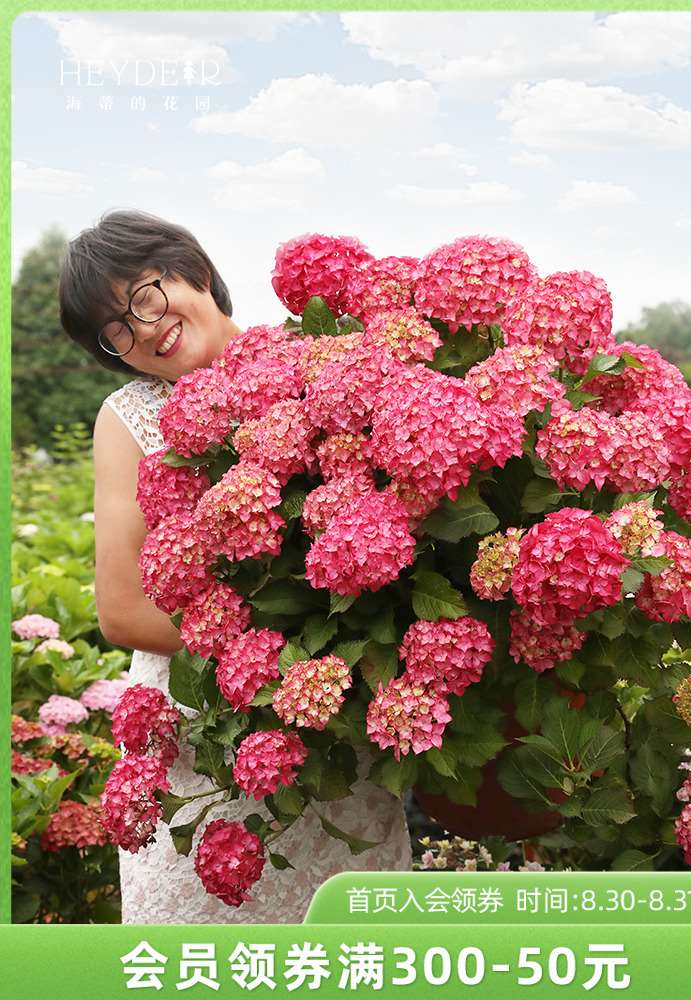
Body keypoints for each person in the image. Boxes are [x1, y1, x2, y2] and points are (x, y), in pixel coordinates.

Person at [59, 209, 411, 924]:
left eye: (146, 295)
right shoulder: (129, 417)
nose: (144, 328)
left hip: (335, 731)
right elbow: (124, 608)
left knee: (350, 945)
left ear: (191, 269)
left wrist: (342, 658)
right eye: (116, 330)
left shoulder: (316, 357)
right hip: (208, 733)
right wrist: (282, 657)